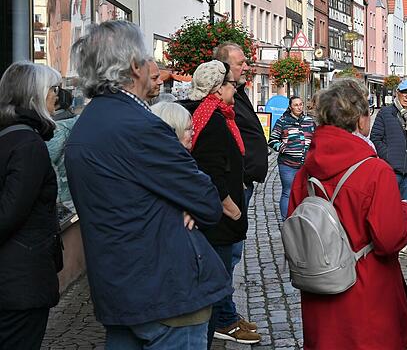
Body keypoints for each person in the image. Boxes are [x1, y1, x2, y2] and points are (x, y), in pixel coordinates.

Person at [64, 20, 231, 348]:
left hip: (120, 291)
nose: (153, 65)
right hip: (166, 294)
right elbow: (208, 202)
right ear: (133, 66)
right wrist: (186, 203)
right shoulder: (140, 126)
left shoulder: (87, 124)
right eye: (148, 57)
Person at [287, 78, 407, 350]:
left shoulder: (305, 172)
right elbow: (389, 239)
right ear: (360, 120)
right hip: (367, 296)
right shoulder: (375, 172)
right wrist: (406, 212)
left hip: (320, 295)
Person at [179, 61, 261, 346]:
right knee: (218, 277)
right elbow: (211, 170)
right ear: (216, 90)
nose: (233, 89)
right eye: (229, 85)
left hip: (219, 215)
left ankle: (222, 319)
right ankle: (217, 326)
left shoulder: (215, 114)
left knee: (219, 274)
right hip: (219, 219)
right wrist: (232, 208)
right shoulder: (212, 121)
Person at [0, 62, 63, 350]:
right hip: (20, 283)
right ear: (34, 96)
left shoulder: (11, 137)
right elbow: (9, 213)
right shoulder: (28, 143)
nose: (57, 97)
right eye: (52, 89)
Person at [213, 42, 268, 339]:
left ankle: (228, 311)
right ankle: (224, 318)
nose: (246, 66)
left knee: (233, 253)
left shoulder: (240, 93)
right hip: (234, 189)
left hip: (242, 185)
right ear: (224, 67)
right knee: (228, 254)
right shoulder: (220, 101)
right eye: (241, 63)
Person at [370, 79, 407, 257]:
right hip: (391, 171)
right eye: (404, 93)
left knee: (404, 209)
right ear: (397, 93)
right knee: (388, 209)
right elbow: (376, 137)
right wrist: (388, 158)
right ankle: (386, 242)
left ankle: (402, 244)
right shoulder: (386, 114)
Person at [268, 95, 315, 220]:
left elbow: (316, 139)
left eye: (300, 104)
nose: (299, 107)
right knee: (287, 192)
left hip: (306, 165)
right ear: (290, 107)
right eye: (296, 105)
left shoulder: (309, 121)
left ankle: (302, 219)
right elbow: (272, 140)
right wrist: (285, 148)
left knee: (305, 192)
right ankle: (286, 219)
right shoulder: (283, 121)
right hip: (287, 164)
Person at [46, 88, 79, 220]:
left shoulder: (57, 130)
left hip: (63, 196)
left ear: (56, 102)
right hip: (75, 190)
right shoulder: (76, 121)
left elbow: (42, 160)